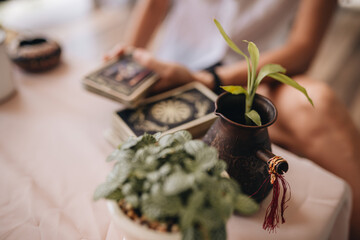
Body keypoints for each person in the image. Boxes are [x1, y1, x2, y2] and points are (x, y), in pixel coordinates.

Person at [105, 0, 360, 238]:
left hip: (252, 79)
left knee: (318, 103)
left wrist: (210, 79)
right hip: (175, 66)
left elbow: (303, 46)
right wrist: (130, 62)